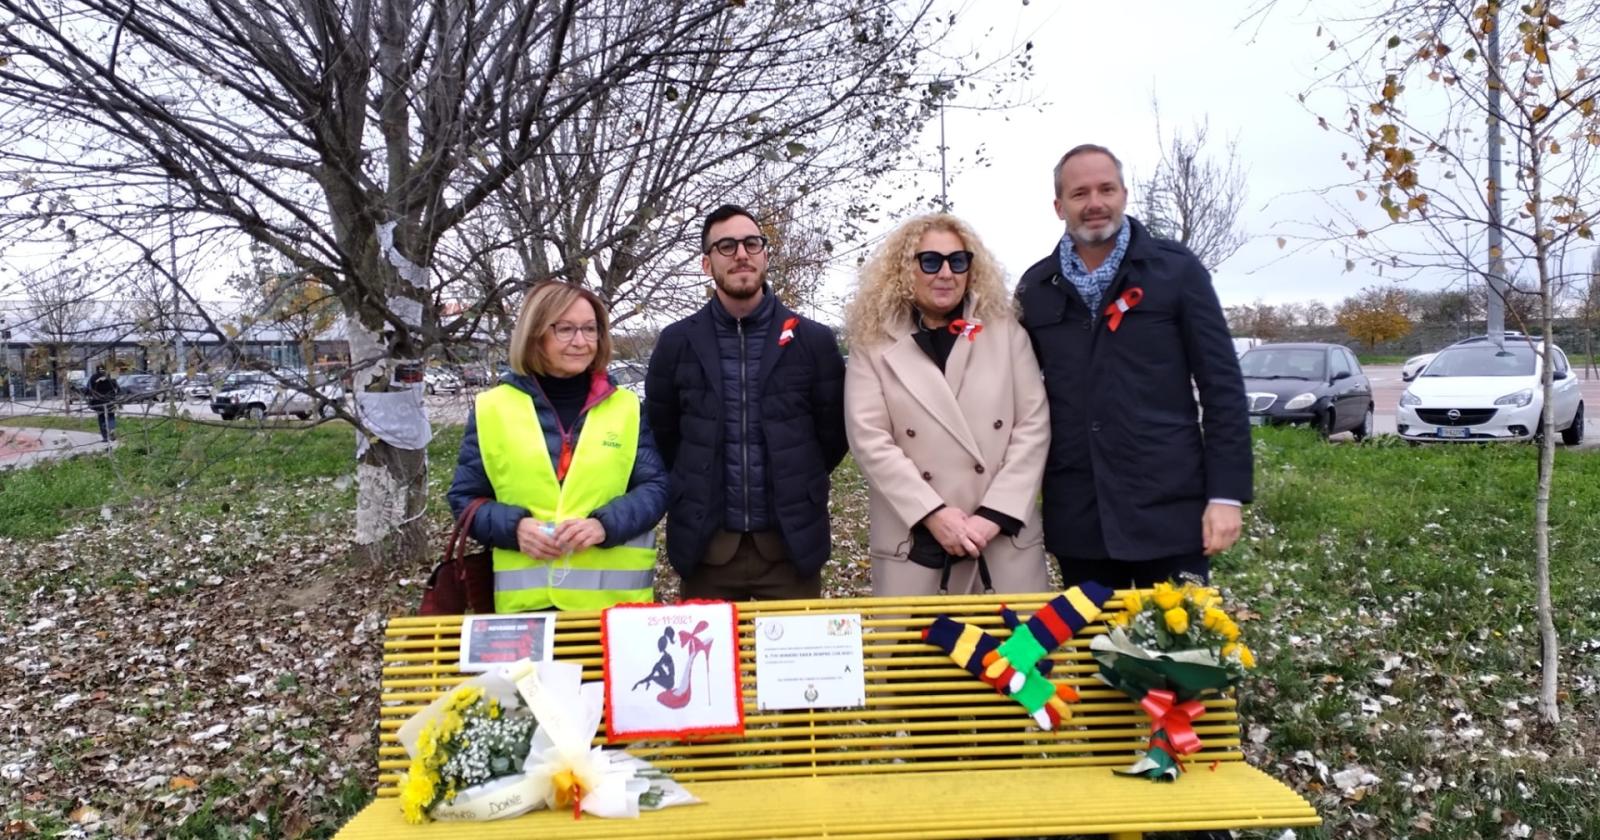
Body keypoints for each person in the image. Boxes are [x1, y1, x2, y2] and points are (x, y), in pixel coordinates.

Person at [1015, 143, 1252, 590]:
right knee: (1094, 656)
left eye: (1106, 189)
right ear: (1058, 206)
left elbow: (1222, 387)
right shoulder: (1036, 288)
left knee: (1179, 655)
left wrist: (1226, 495)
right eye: (1080, 193)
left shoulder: (1175, 272)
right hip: (1080, 520)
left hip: (1170, 513)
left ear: (1124, 194)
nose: (1095, 204)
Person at [645, 204, 848, 601]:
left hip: (791, 549)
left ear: (765, 255)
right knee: (709, 666)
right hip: (707, 551)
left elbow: (832, 436)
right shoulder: (676, 343)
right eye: (726, 246)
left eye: (751, 243)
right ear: (707, 264)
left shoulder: (814, 341)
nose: (741, 254)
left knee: (795, 664)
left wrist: (798, 477)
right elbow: (663, 435)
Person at [843, 213, 1050, 596]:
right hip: (917, 544)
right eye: (930, 261)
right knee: (918, 657)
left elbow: (1033, 426)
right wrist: (934, 515)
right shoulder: (873, 343)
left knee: (1021, 656)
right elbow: (869, 438)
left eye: (958, 261)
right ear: (906, 269)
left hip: (1001, 545)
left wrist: (993, 515)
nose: (946, 273)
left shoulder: (1006, 333)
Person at [447, 280, 667, 612]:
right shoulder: (492, 409)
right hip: (526, 613)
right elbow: (465, 500)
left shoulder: (627, 407)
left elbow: (655, 489)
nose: (580, 341)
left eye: (590, 329)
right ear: (535, 334)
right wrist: (515, 528)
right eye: (565, 329)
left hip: (613, 612)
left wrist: (603, 525)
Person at [87, 365, 120, 442]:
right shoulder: (111, 376)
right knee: (111, 416)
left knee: (101, 417)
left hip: (98, 401)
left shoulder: (93, 377)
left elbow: (88, 389)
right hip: (110, 400)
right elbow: (118, 388)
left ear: (97, 369)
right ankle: (111, 429)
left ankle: (105, 436)